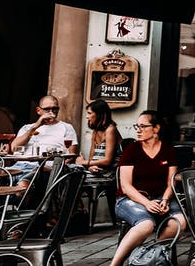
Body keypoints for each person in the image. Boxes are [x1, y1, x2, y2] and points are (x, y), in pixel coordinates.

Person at [111, 110, 185, 266]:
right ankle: (115, 264)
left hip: (160, 198)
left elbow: (171, 182)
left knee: (179, 221)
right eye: (136, 126)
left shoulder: (168, 151)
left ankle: (151, 256)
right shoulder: (132, 150)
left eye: (143, 126)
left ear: (156, 128)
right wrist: (147, 203)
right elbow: (126, 186)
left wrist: (164, 200)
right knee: (146, 224)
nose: (138, 130)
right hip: (130, 199)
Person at [11, 95, 78, 154]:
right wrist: (35, 126)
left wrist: (56, 168)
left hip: (49, 165)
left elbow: (71, 155)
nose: (51, 112)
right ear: (38, 110)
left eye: (55, 108)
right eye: (47, 109)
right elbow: (13, 148)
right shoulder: (27, 128)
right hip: (23, 164)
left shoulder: (67, 127)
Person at [75, 99, 120, 175]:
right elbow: (91, 158)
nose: (87, 117)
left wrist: (84, 162)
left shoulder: (110, 130)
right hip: (98, 171)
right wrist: (90, 167)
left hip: (112, 173)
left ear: (99, 115)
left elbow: (107, 161)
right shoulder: (95, 131)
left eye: (89, 113)